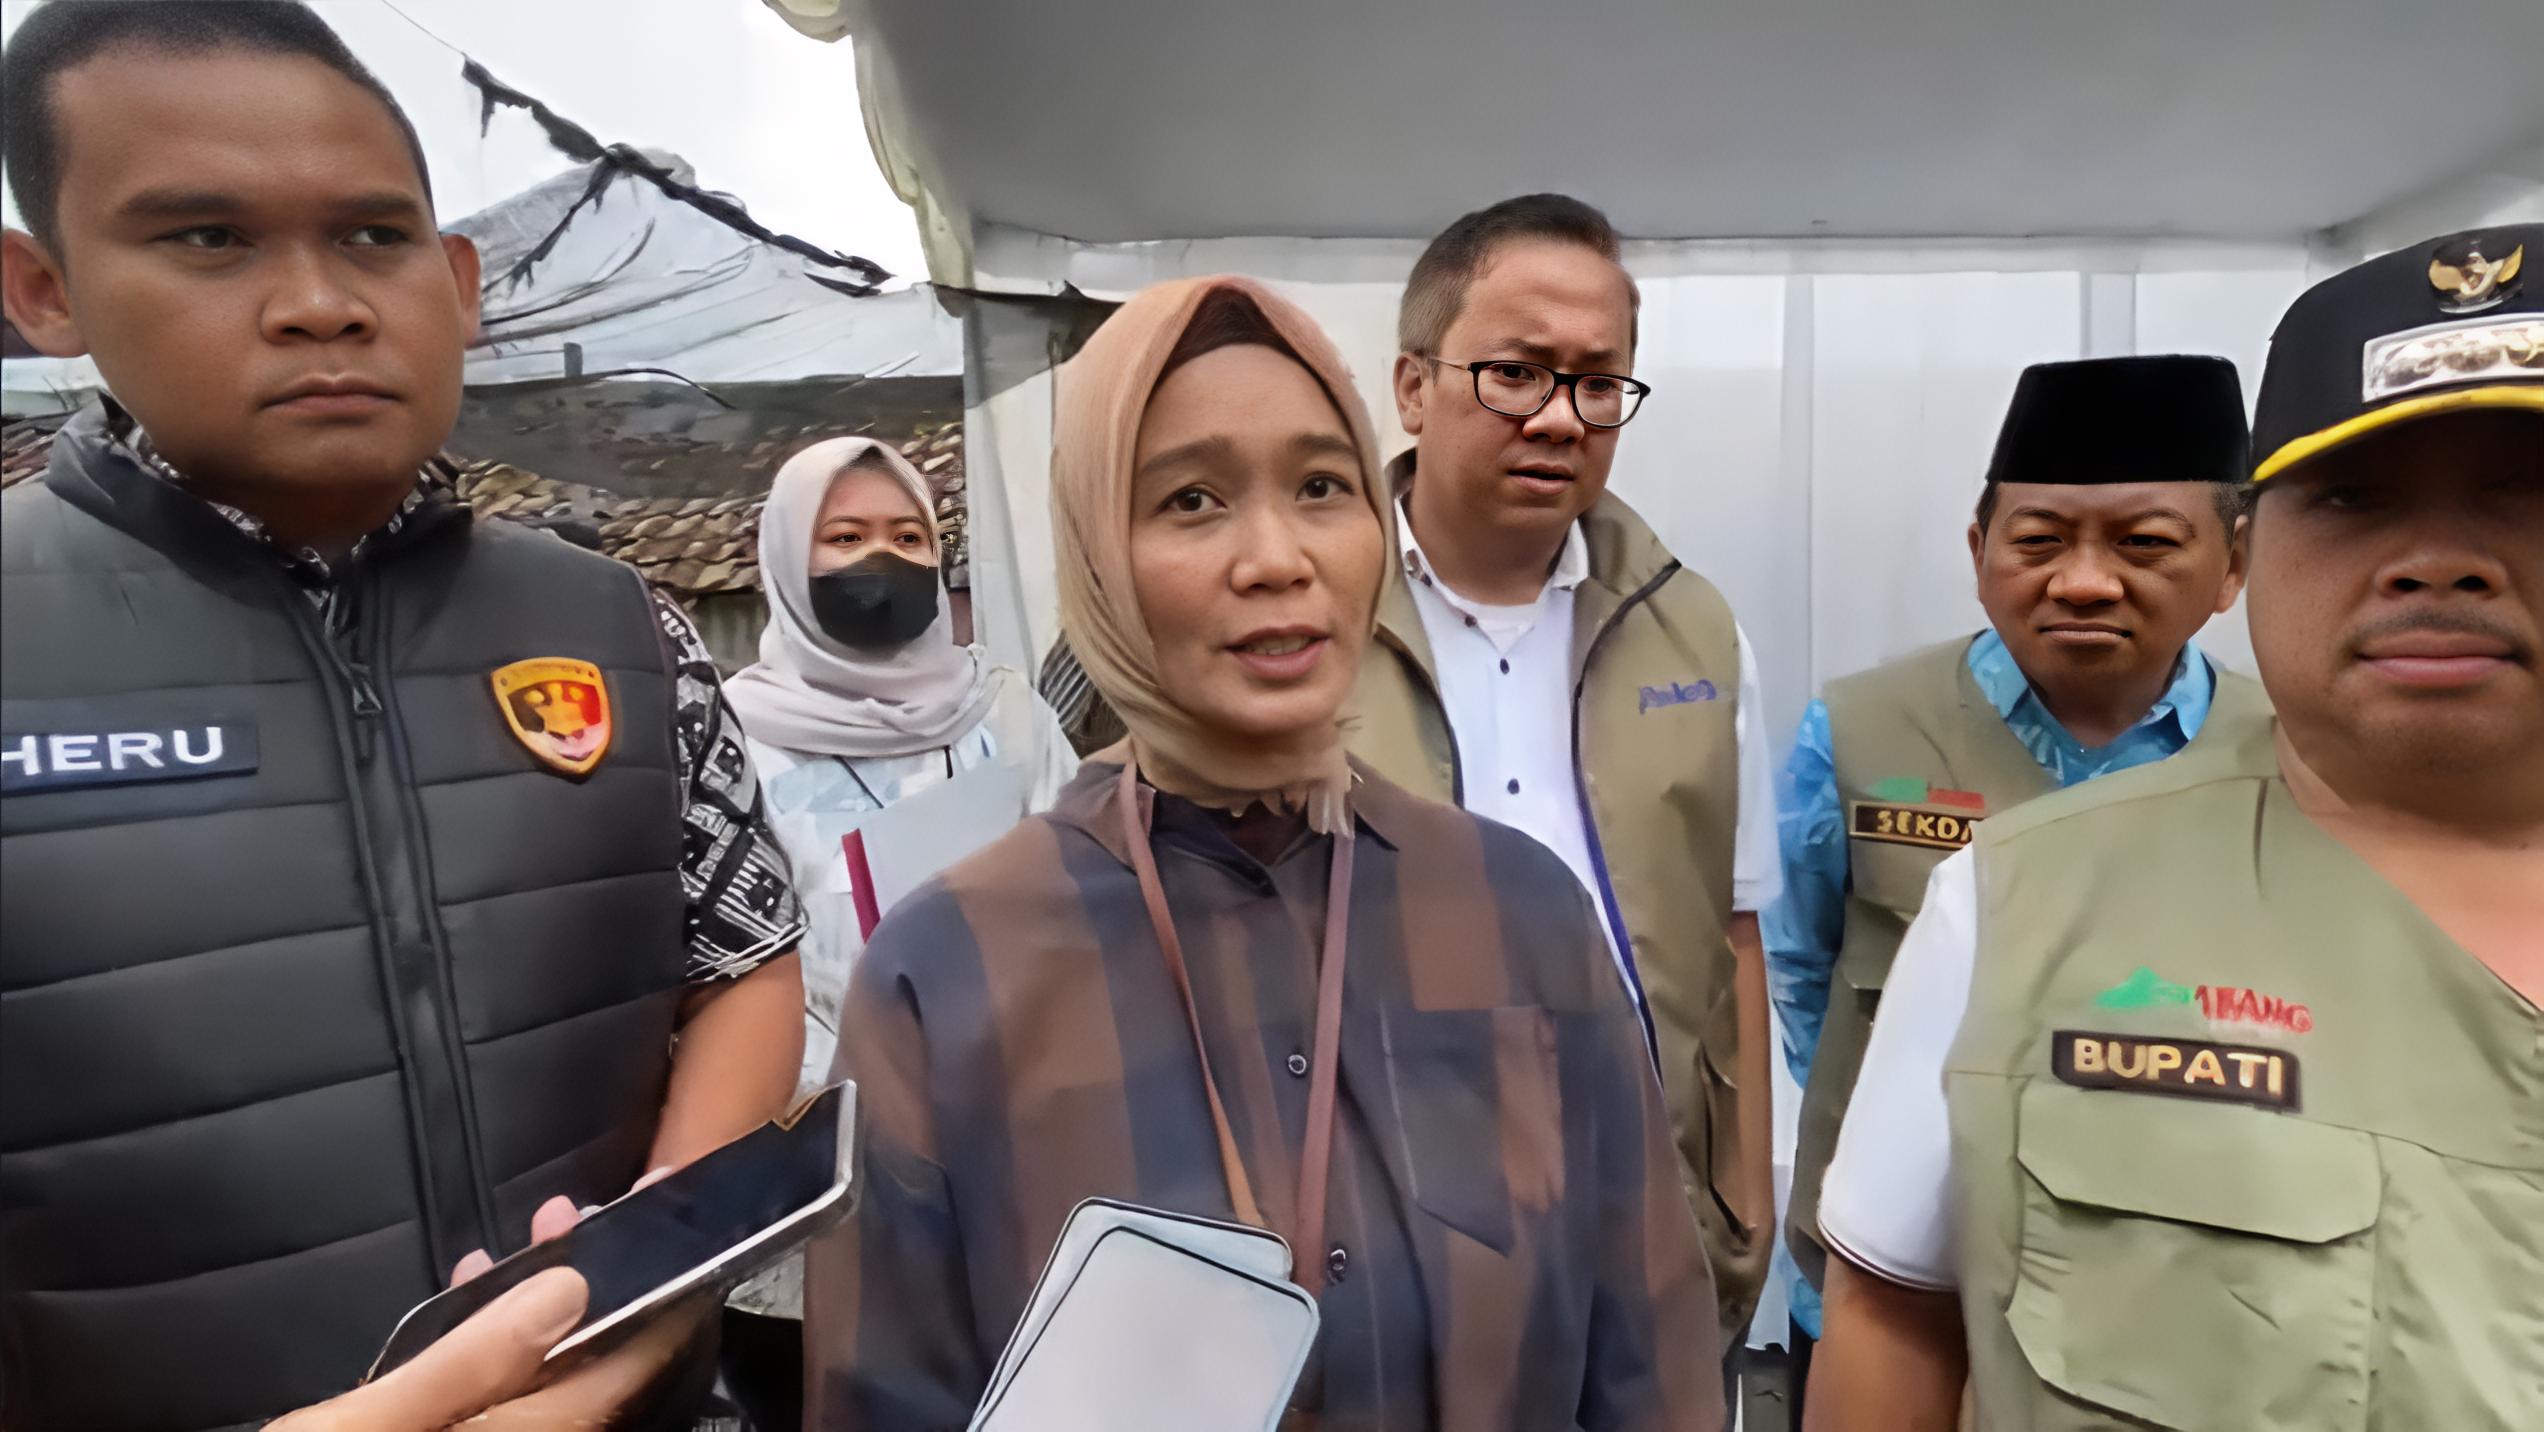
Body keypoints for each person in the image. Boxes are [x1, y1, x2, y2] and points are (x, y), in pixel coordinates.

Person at [0, 4, 805, 1426]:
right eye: (209, 237)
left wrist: (653, 1277)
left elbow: (743, 960)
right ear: (45, 289)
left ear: (458, 281)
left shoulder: (621, 628)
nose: (321, 303)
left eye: (374, 236)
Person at [805, 275, 1723, 1430]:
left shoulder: (1519, 913)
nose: (1278, 557)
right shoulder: (947, 973)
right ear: (1097, 552)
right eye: (1192, 500)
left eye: (1323, 486)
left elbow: (1652, 1366)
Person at [1806, 223, 2543, 1430]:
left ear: (2225, 564)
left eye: (2526, 493)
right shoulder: (1979, 860)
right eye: (2354, 498)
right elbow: (1796, 967)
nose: (2436, 564)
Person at [1766, 355, 2270, 1382]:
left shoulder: (2292, 760)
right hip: (1888, 1294)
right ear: (1979, 549)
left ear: (2233, 564)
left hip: (2185, 1306)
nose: (2082, 580)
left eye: (2144, 543)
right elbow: (1801, 964)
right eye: (2039, 541)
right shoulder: (1861, 728)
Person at [1347, 193, 1781, 1351]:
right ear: (1411, 386)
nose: (1559, 418)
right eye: (1516, 374)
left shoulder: (1694, 631)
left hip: (1638, 1218)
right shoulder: (1304, 622)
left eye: (1598, 383)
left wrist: (1743, 1213)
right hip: (1378, 1225)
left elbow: (1733, 931)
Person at [715, 434, 1077, 1428]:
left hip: (1006, 1158)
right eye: (845, 537)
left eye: (909, 536)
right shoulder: (725, 738)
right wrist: (865, 1078)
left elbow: (1082, 898)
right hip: (809, 1178)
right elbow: (714, 964)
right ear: (786, 557)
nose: (882, 558)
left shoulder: (1007, 715)